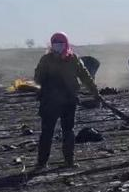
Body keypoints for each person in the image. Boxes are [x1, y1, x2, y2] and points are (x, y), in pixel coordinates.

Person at [32, 33, 101, 171]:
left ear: (66, 43)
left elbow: (86, 77)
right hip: (50, 102)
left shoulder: (73, 59)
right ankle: (41, 163)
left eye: (60, 42)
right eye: (55, 42)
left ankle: (69, 161)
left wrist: (96, 93)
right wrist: (40, 94)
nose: (58, 44)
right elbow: (38, 79)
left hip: (68, 101)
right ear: (51, 44)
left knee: (68, 131)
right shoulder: (46, 59)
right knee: (47, 132)